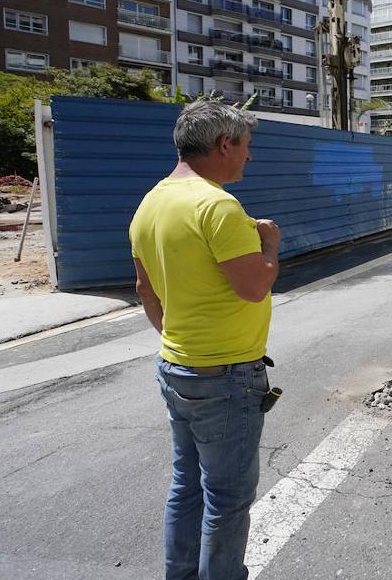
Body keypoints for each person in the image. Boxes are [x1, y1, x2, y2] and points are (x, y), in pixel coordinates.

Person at [129, 100, 280, 580]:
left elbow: (144, 291)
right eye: (247, 147)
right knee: (228, 500)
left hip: (176, 367)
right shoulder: (217, 206)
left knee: (186, 486)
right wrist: (270, 244)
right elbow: (255, 286)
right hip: (227, 376)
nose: (249, 157)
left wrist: (182, 343)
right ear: (225, 144)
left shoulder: (150, 203)